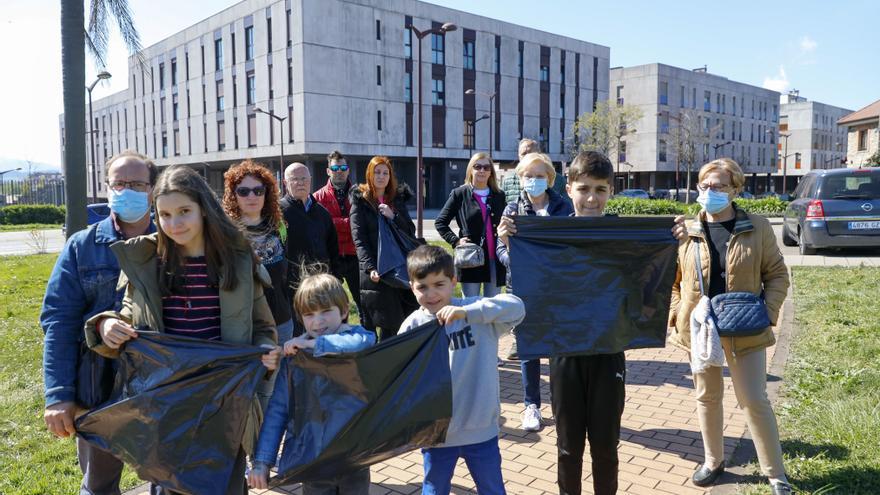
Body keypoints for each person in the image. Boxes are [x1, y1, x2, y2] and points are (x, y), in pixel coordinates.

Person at [83, 165, 281, 495]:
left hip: (224, 408)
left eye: (184, 211)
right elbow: (130, 316)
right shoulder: (147, 260)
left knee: (227, 486)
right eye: (164, 214)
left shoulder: (238, 259)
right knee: (169, 488)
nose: (175, 224)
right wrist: (106, 325)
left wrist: (264, 352)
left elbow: (263, 327)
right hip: (166, 409)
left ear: (204, 208)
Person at [499, 151, 689, 494]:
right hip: (564, 352)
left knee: (605, 447)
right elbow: (531, 286)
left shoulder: (623, 236)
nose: (591, 198)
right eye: (584, 188)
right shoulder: (548, 234)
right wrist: (510, 242)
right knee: (568, 447)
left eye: (600, 189)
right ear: (569, 188)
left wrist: (674, 240)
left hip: (608, 350)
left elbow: (650, 283)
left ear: (611, 191)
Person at [669, 158, 792, 495]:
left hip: (745, 325)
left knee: (754, 399)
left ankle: (776, 474)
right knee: (707, 397)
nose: (711, 192)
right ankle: (713, 461)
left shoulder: (757, 226)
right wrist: (677, 312)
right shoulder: (687, 231)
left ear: (736, 189)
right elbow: (674, 281)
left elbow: (777, 275)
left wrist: (767, 312)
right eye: (705, 186)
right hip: (700, 327)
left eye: (720, 186)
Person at [41, 150, 157, 495]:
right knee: (99, 486)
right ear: (107, 188)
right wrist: (59, 395)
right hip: (97, 388)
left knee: (169, 478)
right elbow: (58, 322)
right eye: (119, 183)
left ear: (152, 189)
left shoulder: (175, 240)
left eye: (136, 183)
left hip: (159, 386)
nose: (127, 190)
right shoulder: (83, 246)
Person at [398, 245, 524, 495]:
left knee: (492, 489)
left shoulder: (475, 311)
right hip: (436, 434)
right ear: (411, 287)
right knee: (434, 489)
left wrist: (467, 312)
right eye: (422, 287)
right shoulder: (412, 326)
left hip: (481, 430)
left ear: (454, 280)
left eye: (439, 284)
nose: (431, 294)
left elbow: (517, 308)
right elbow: (400, 376)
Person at [248, 272, 376, 494]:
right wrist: (262, 461)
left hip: (354, 459)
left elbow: (362, 342)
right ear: (300, 318)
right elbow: (278, 410)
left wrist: (313, 345)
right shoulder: (296, 360)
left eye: (326, 311)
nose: (317, 321)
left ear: (344, 311)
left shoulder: (355, 338)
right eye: (309, 314)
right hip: (314, 459)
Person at [497, 152, 573, 432]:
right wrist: (506, 243)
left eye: (540, 176)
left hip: (556, 290)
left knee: (557, 348)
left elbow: (571, 248)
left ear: (550, 179)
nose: (534, 180)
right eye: (528, 176)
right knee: (528, 348)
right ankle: (531, 405)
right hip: (523, 288)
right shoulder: (511, 211)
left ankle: (562, 404)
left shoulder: (564, 208)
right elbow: (501, 252)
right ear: (520, 179)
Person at [222, 159, 292, 411]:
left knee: (274, 394)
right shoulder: (225, 235)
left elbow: (287, 278)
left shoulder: (279, 228)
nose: (251, 196)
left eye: (258, 190)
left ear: (267, 194)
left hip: (282, 322)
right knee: (246, 395)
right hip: (244, 328)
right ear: (233, 195)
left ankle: (265, 448)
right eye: (243, 191)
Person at [349, 156, 419, 340]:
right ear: (369, 175)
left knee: (401, 320)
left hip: (399, 267)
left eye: (385, 173)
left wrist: (393, 215)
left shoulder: (396, 199)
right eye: (377, 172)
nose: (381, 176)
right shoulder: (360, 200)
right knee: (378, 322)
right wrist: (370, 267)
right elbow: (359, 239)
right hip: (376, 272)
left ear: (390, 176)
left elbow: (410, 231)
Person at [434, 152, 507, 297]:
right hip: (470, 259)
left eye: (486, 167)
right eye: (477, 166)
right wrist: (455, 241)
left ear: (491, 172)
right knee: (470, 305)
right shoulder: (459, 194)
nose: (481, 170)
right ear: (470, 170)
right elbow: (440, 222)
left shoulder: (499, 195)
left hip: (495, 258)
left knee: (491, 306)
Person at [281, 162, 339, 332]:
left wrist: (336, 277)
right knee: (299, 333)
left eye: (304, 179)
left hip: (321, 285)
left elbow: (333, 248)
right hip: (292, 288)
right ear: (285, 183)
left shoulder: (322, 213)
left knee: (323, 330)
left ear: (310, 180)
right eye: (295, 179)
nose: (300, 183)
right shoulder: (278, 212)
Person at [312, 150, 364, 322]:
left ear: (348, 170)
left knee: (363, 302)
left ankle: (369, 339)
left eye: (343, 167)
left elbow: (362, 224)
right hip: (332, 258)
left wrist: (334, 222)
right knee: (333, 304)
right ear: (328, 171)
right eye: (335, 168)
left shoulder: (361, 194)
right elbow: (320, 228)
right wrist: (348, 223)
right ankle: (339, 340)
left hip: (356, 256)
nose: (339, 171)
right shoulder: (317, 197)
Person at [501, 138, 538, 204]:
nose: (527, 157)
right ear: (519, 156)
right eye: (523, 154)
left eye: (530, 153)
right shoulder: (507, 181)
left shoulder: (552, 179)